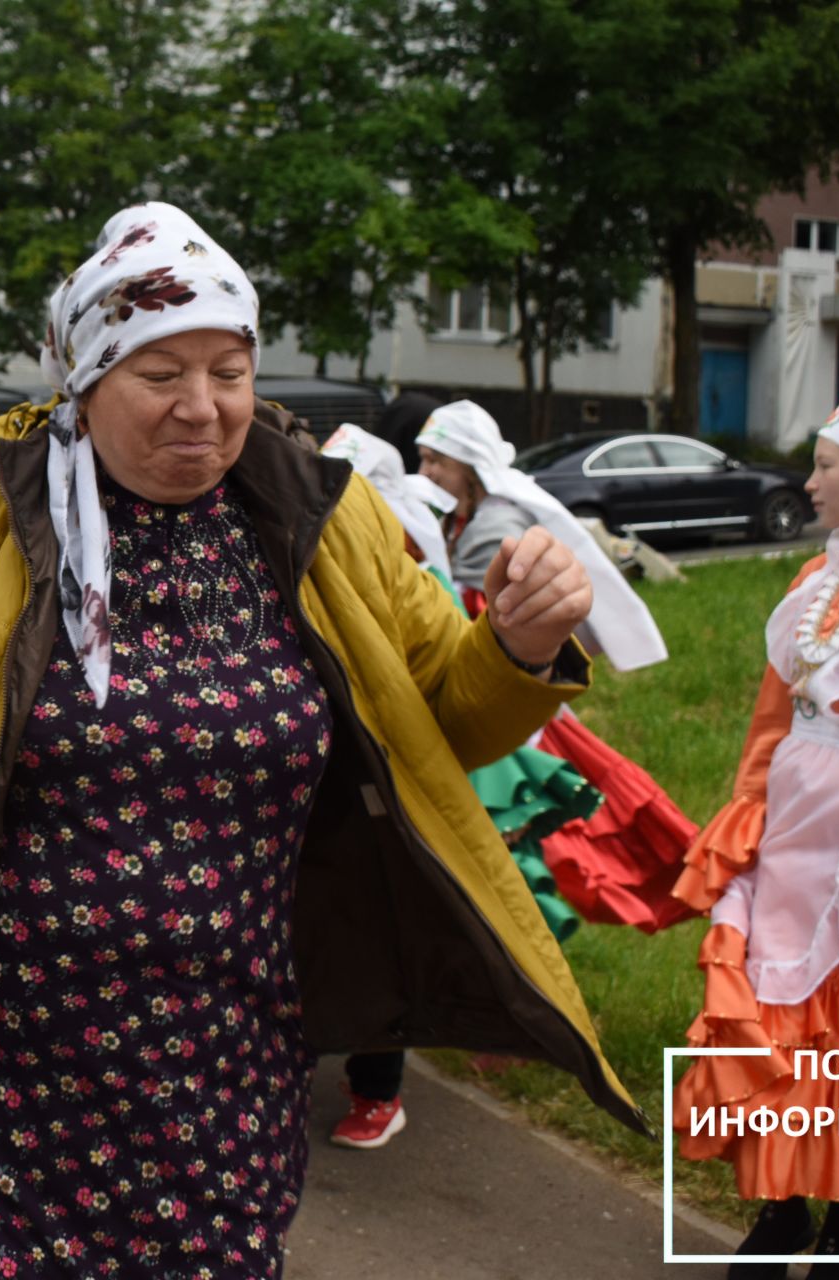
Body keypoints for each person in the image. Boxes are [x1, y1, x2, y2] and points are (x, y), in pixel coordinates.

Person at [0, 202, 644, 1279]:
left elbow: (444, 719)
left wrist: (517, 649)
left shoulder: (324, 522)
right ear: (85, 380)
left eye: (229, 370)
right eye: (160, 373)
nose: (203, 408)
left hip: (221, 1081)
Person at [317, 424, 602, 1150]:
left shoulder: (413, 575)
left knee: (391, 934)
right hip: (319, 804)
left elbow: (458, 695)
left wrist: (519, 642)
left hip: (401, 796)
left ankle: (382, 1086)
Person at [673, 388, 839, 1278]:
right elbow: (774, 716)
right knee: (774, 1017)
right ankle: (784, 1204)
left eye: (827, 466)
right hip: (794, 821)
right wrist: (748, 815)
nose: (809, 481)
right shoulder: (812, 580)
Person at [415, 400, 699, 936]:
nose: (427, 472)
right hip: (498, 687)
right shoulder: (464, 518)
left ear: (469, 468)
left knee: (525, 820)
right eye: (424, 460)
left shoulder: (491, 526)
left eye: (437, 462)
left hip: (508, 693)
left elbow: (484, 628)